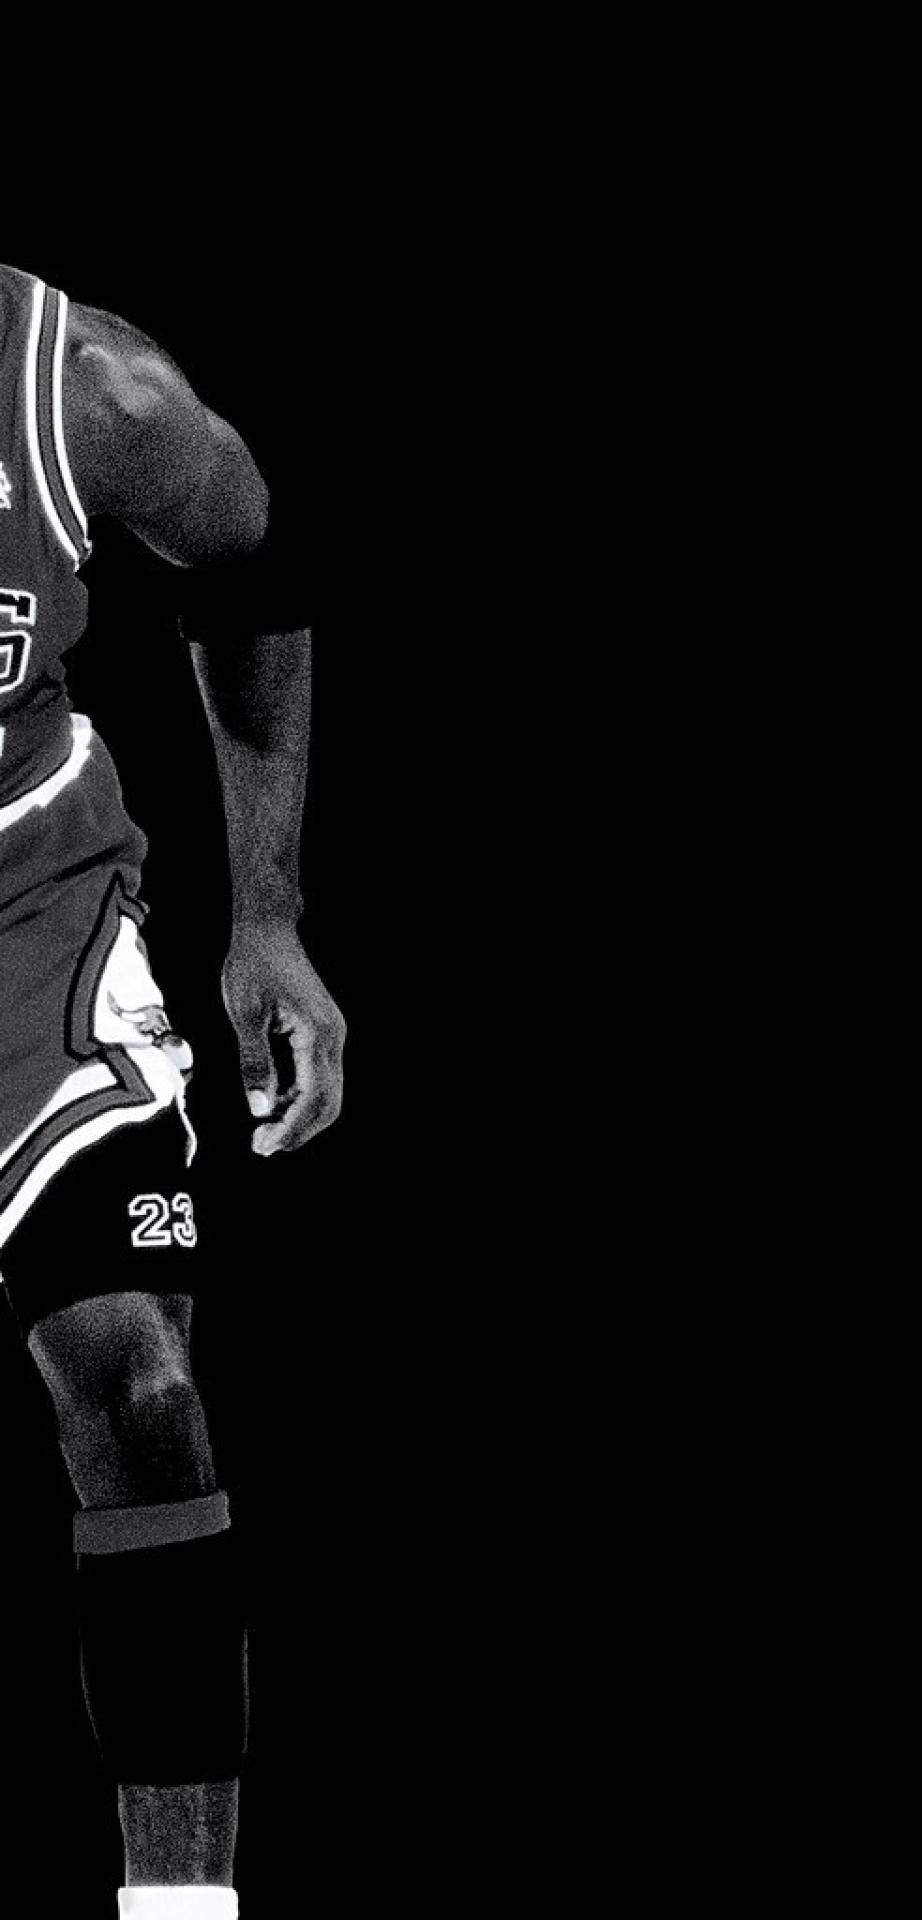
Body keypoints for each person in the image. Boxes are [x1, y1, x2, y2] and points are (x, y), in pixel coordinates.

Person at [0, 260, 346, 1920]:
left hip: (22, 900)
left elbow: (254, 569)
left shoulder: (86, 391)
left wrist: (266, 915)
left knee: (140, 1388)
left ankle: (181, 1912)